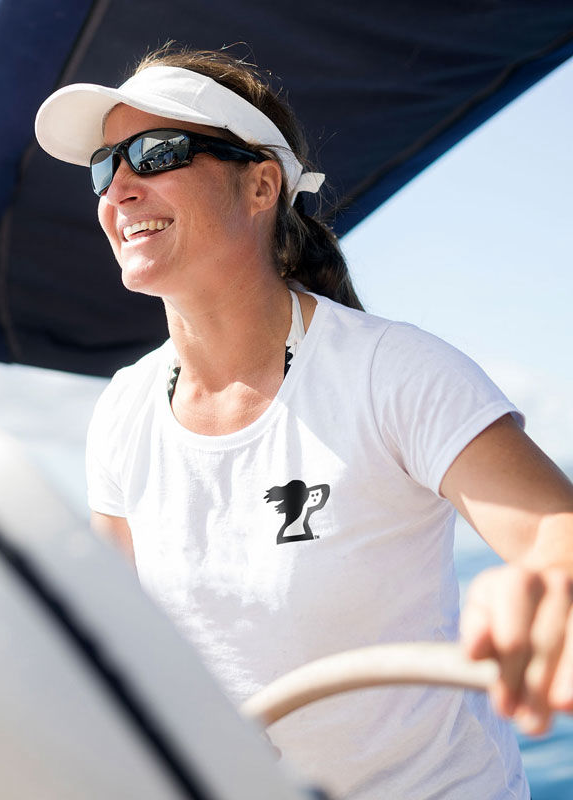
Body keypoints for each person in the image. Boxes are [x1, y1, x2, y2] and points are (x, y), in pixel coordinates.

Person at [35, 45, 573, 798]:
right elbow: (115, 642)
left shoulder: (393, 372)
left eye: (155, 153)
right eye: (103, 167)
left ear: (260, 185)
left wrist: (546, 588)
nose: (119, 187)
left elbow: (557, 534)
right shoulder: (124, 411)